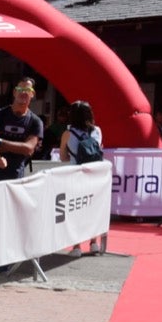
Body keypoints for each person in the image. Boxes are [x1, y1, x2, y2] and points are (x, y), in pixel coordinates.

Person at [59, 100, 106, 254]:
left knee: (76, 209)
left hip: (75, 175)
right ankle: (94, 243)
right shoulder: (97, 131)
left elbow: (63, 157)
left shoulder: (67, 134)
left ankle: (77, 246)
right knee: (93, 208)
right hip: (94, 174)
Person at [0, 77, 44, 182]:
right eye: (20, 89)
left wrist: (1, 141)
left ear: (32, 94)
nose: (23, 92)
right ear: (14, 92)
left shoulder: (35, 121)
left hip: (14, 177)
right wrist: (18, 147)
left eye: (27, 90)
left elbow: (28, 149)